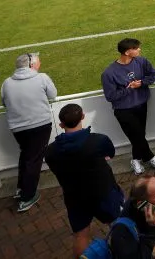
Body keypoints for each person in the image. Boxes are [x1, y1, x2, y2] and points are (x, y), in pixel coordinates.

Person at [45, 103, 126, 256]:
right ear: (82, 117)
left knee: (80, 235)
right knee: (118, 226)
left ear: (61, 124)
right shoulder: (98, 141)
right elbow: (110, 153)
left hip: (75, 198)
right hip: (103, 194)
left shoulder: (50, 151)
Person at [0, 52, 57, 212]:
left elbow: (4, 102)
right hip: (39, 124)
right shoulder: (42, 78)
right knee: (34, 160)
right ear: (31, 65)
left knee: (26, 155)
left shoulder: (7, 82)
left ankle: (22, 188)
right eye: (38, 62)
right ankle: (27, 196)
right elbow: (53, 95)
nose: (40, 64)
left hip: (17, 128)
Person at [101, 38, 155, 175]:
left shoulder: (142, 61)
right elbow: (110, 96)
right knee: (137, 135)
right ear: (127, 52)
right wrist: (129, 89)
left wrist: (141, 83)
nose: (139, 50)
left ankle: (135, 159)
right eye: (136, 48)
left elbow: (153, 75)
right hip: (123, 110)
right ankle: (150, 157)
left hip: (141, 105)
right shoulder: (109, 73)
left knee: (139, 135)